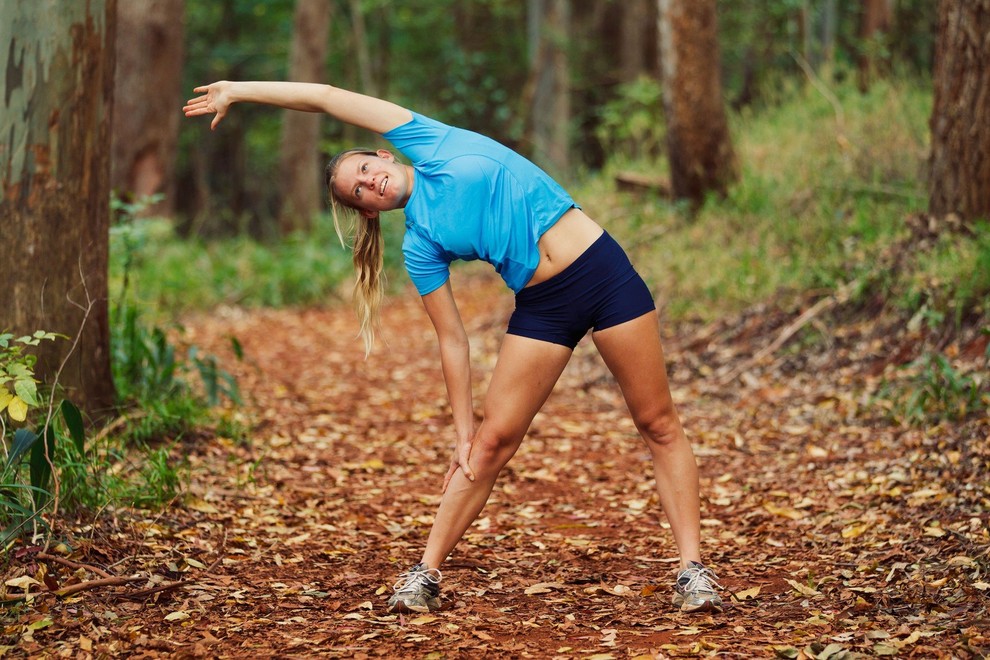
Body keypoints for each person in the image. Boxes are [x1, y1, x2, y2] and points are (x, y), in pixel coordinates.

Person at [183, 81, 723, 614]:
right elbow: (452, 339)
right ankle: (425, 574)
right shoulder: (420, 245)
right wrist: (462, 428)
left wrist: (240, 90)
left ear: (383, 154)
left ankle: (693, 572)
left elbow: (325, 97)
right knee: (488, 445)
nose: (369, 183)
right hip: (544, 306)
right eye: (357, 192)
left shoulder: (429, 139)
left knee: (657, 422)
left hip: (602, 273)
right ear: (368, 211)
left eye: (366, 170)